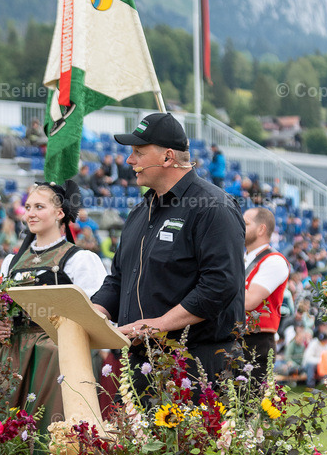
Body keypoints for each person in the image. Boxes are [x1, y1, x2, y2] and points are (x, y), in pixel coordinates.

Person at [91, 112, 245, 387]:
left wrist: (159, 324)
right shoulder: (140, 211)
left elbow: (220, 285)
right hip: (140, 364)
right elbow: (117, 279)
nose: (130, 161)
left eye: (138, 152)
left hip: (195, 367)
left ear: (167, 157)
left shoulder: (213, 207)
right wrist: (93, 312)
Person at [0, 180, 106, 433]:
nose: (30, 213)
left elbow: (98, 317)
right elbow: (2, 310)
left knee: (50, 429)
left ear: (60, 212)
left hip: (58, 357)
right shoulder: (11, 261)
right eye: (28, 207)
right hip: (13, 356)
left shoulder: (80, 259)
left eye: (39, 206)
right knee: (3, 426)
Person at [242, 206, 290, 389]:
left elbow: (249, 301)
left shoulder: (274, 260)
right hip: (235, 337)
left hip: (257, 341)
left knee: (250, 406)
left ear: (261, 229)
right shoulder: (241, 258)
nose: (240, 227)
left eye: (245, 223)